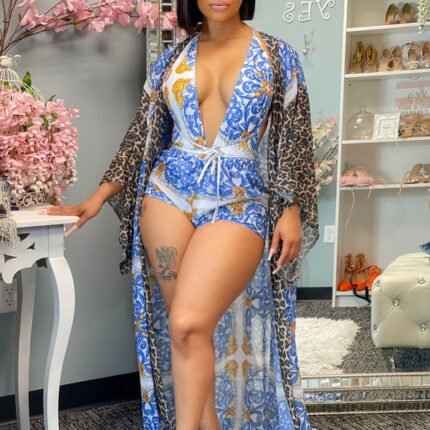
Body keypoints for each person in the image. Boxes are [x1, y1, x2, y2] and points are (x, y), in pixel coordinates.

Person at [46, 0, 319, 428]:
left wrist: (292, 208)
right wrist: (99, 195)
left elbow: (296, 138)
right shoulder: (171, 59)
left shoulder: (277, 55)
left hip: (239, 201)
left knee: (189, 322)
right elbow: (142, 132)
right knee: (186, 333)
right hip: (166, 197)